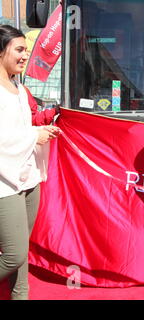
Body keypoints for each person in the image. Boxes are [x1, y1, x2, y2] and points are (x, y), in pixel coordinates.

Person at [0, 25, 60, 300]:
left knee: (22, 247)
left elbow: (27, 124)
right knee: (13, 254)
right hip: (3, 184)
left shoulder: (19, 87)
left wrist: (48, 124)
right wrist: (34, 135)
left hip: (27, 176)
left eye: (26, 49)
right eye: (20, 50)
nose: (25, 56)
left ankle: (19, 296)